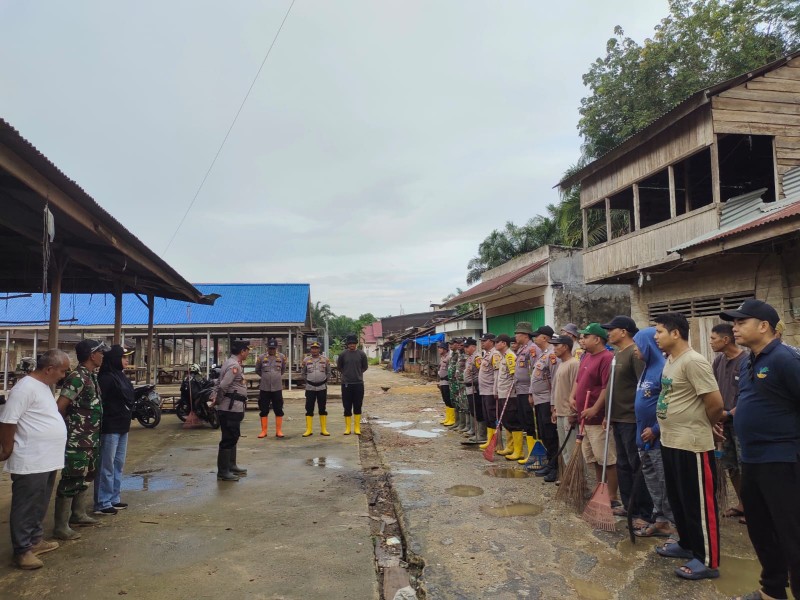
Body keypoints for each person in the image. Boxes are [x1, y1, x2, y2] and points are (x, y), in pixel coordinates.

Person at [720, 299, 800, 600]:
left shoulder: (785, 359)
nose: (734, 327)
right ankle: (772, 590)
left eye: (741, 322)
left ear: (764, 326)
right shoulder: (748, 360)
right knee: (761, 530)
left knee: (792, 534)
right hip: (752, 459)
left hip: (782, 461)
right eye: (734, 323)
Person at [653, 312, 723, 581]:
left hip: (692, 444)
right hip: (671, 441)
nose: (656, 337)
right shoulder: (671, 360)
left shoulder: (694, 361)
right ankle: (686, 544)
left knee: (699, 505)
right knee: (679, 501)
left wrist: (708, 426)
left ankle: (708, 560)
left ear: (675, 333)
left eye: (659, 331)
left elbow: (715, 402)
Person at [0, 350, 70, 569]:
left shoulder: (43, 387)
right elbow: (8, 420)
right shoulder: (24, 388)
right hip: (31, 458)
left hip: (47, 459)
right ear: (49, 369)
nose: (63, 375)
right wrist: (7, 447)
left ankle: (35, 540)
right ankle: (22, 551)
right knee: (26, 505)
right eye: (62, 370)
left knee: (39, 502)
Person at [53, 339, 109, 540]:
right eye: (100, 352)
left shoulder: (90, 376)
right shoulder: (77, 377)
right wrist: (66, 431)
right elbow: (60, 406)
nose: (103, 355)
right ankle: (60, 526)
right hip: (78, 439)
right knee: (71, 477)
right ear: (91, 355)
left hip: (90, 438)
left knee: (86, 474)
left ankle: (78, 514)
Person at [602, 316, 651, 523]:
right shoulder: (616, 354)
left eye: (611, 329)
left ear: (623, 332)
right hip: (617, 418)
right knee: (622, 464)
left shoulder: (634, 353)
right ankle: (628, 505)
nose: (608, 333)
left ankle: (643, 511)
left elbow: (643, 386)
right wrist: (608, 415)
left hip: (632, 419)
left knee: (635, 464)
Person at [569, 324, 620, 508]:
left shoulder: (607, 358)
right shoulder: (585, 356)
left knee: (607, 458)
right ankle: (600, 488)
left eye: (586, 336)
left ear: (597, 339)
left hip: (598, 419)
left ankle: (613, 496)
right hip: (584, 417)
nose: (582, 339)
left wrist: (596, 409)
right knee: (594, 459)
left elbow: (607, 387)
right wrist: (572, 396)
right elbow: (578, 380)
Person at [631, 327, 675, 539]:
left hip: (657, 439)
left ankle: (672, 522)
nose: (635, 351)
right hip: (643, 439)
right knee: (652, 482)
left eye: (638, 346)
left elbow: (671, 403)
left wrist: (656, 429)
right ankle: (660, 520)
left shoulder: (663, 369)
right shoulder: (647, 368)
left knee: (664, 482)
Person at [709, 322, 748, 523]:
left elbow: (748, 396)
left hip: (741, 422)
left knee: (746, 466)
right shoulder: (718, 362)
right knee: (731, 466)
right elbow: (714, 390)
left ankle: (754, 507)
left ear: (726, 340)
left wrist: (729, 413)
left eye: (713, 338)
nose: (710, 342)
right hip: (723, 423)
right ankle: (742, 504)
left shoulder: (746, 361)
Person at [94, 345, 134, 515]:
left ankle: (114, 498)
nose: (126, 360)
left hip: (122, 426)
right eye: (123, 357)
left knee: (118, 464)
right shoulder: (106, 378)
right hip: (110, 427)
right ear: (114, 359)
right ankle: (103, 502)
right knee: (106, 465)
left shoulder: (120, 377)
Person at [216, 340, 250, 482]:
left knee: (232, 436)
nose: (248, 353)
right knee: (229, 438)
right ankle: (223, 471)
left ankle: (231, 465)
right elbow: (223, 385)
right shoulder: (234, 366)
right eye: (247, 350)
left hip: (233, 407)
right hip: (230, 408)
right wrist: (217, 400)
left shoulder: (230, 363)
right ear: (242, 351)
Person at [529, 326, 559, 479]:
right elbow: (534, 376)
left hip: (548, 400)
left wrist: (554, 404)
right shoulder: (542, 354)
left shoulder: (552, 354)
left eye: (537, 336)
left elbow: (554, 380)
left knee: (550, 435)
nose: (534, 339)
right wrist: (531, 393)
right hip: (539, 399)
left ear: (545, 338)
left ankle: (555, 467)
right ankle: (550, 463)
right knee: (544, 434)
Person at [512, 322, 537, 463]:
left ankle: (533, 454)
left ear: (525, 335)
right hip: (520, 390)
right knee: (524, 421)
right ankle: (529, 453)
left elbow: (534, 371)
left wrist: (531, 392)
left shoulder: (532, 349)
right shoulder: (522, 349)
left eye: (517, 333)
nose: (515, 336)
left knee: (529, 421)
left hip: (528, 391)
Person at [255, 338, 286, 439]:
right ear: (267, 348)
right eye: (270, 348)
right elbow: (258, 370)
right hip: (265, 388)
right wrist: (266, 377)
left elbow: (283, 370)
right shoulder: (261, 358)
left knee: (278, 408)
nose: (271, 350)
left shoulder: (281, 357)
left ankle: (279, 430)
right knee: (264, 409)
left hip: (277, 388)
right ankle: (264, 431)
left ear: (276, 348)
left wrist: (275, 376)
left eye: (273, 348)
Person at [337, 334, 368, 435]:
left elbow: (365, 367)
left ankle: (357, 428)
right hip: (346, 384)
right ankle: (347, 428)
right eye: (350, 343)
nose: (352, 345)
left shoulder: (362, 354)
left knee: (358, 406)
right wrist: (347, 374)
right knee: (347, 406)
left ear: (356, 344)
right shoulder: (342, 355)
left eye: (353, 343)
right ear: (347, 344)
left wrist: (357, 373)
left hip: (358, 384)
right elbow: (339, 367)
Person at [493, 334, 519, 456]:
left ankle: (517, 450)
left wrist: (510, 390)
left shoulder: (509, 356)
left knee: (512, 420)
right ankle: (510, 446)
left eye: (497, 342)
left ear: (504, 343)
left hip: (510, 394)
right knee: (506, 420)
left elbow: (514, 376)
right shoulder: (503, 356)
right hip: (503, 392)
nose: (495, 344)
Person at [301, 342, 331, 437]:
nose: (314, 350)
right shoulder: (306, 360)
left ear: (319, 349)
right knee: (309, 408)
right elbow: (303, 373)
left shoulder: (325, 360)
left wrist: (324, 381)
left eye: (316, 348)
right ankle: (309, 430)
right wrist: (309, 381)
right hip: (310, 387)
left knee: (322, 408)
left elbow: (329, 372)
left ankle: (323, 429)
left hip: (322, 387)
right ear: (311, 349)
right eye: (313, 348)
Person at [478, 334, 501, 451]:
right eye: (481, 341)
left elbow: (497, 374)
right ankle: (489, 440)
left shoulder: (495, 354)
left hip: (490, 391)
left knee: (492, 416)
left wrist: (496, 390)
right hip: (484, 391)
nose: (482, 343)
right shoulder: (486, 354)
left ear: (491, 342)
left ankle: (495, 442)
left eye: (484, 341)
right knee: (487, 416)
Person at [461, 338, 482, 442]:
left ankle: (481, 434)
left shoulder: (477, 358)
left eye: (467, 347)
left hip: (475, 388)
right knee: (473, 411)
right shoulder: (469, 358)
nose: (465, 349)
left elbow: (481, 374)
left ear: (473, 347)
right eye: (465, 347)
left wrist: (476, 382)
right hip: (469, 388)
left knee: (478, 411)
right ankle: (476, 432)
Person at [447, 338, 464, 430]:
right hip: (452, 382)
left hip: (459, 383)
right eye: (450, 344)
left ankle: (462, 424)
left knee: (461, 403)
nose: (450, 345)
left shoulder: (459, 355)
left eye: (452, 344)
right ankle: (457, 422)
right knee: (454, 402)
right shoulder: (452, 354)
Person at [436, 341, 455, 426]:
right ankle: (448, 417)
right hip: (442, 381)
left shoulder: (449, 357)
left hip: (447, 381)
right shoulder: (442, 357)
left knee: (449, 399)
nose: (439, 349)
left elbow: (451, 369)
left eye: (440, 348)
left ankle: (452, 418)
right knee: (445, 400)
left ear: (444, 349)